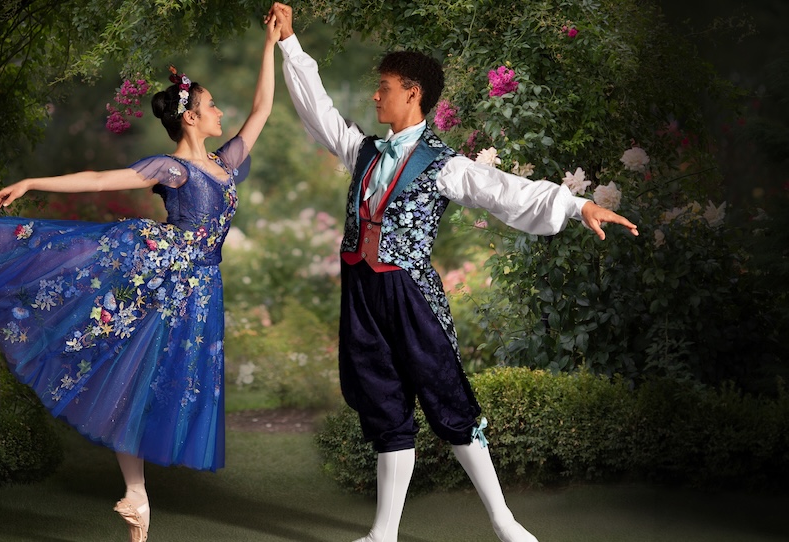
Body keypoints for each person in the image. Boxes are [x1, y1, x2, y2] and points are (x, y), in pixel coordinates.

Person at [0, 15, 282, 542]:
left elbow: (264, 108)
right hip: (156, 269)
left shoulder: (226, 163)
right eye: (214, 105)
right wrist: (34, 179)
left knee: (141, 380)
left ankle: (136, 496)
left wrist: (271, 42)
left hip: (195, 290)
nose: (223, 111)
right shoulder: (173, 169)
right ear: (192, 118)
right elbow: (102, 179)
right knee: (49, 250)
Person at [267, 4, 638, 542]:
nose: (376, 96)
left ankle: (505, 522)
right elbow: (318, 112)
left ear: (413, 92)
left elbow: (507, 192)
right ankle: (383, 534)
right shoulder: (363, 150)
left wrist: (579, 206)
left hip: (410, 295)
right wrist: (290, 44)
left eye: (385, 87)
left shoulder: (446, 163)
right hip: (362, 293)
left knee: (447, 399)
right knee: (382, 401)